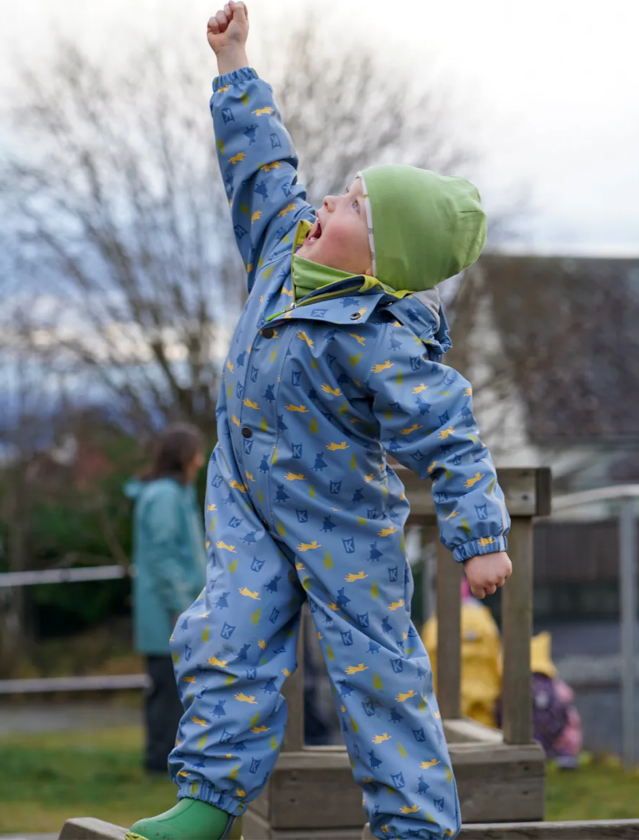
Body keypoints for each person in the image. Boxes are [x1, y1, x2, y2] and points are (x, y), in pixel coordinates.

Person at [127, 4, 512, 839]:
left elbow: (449, 432)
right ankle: (208, 801)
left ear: (379, 259)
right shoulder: (281, 247)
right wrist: (233, 65)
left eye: (351, 205)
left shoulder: (382, 339)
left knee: (378, 671)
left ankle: (413, 826)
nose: (328, 198)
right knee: (223, 637)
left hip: (342, 523)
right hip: (247, 501)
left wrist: (479, 537)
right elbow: (263, 169)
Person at [125, 423, 207, 776]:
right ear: (183, 457)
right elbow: (162, 556)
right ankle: (160, 762)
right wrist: (180, 606)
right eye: (197, 454)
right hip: (168, 613)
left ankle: (167, 760)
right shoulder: (164, 497)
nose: (201, 461)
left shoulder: (175, 494)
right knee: (167, 690)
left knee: (173, 689)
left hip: (173, 610)